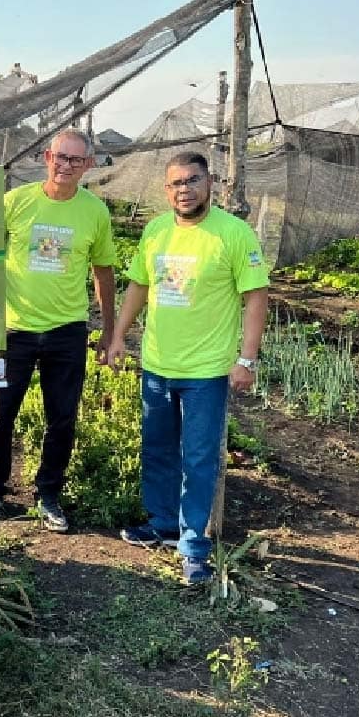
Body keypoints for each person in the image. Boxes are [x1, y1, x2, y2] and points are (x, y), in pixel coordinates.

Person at [105, 151, 268, 585]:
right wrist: (119, 335)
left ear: (209, 183)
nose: (184, 190)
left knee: (198, 458)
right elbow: (139, 285)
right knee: (157, 449)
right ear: (166, 189)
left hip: (207, 372)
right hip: (157, 364)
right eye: (176, 183)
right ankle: (162, 523)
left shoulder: (232, 234)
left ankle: (194, 545)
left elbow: (256, 297)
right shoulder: (156, 232)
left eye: (192, 181)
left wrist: (246, 359)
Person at [0, 128, 117, 532]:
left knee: (62, 418)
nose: (66, 166)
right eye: (60, 157)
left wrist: (108, 329)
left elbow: (103, 272)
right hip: (14, 327)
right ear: (45, 157)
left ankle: (48, 494)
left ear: (88, 165)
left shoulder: (94, 212)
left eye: (76, 160)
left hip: (66, 330)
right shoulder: (15, 202)